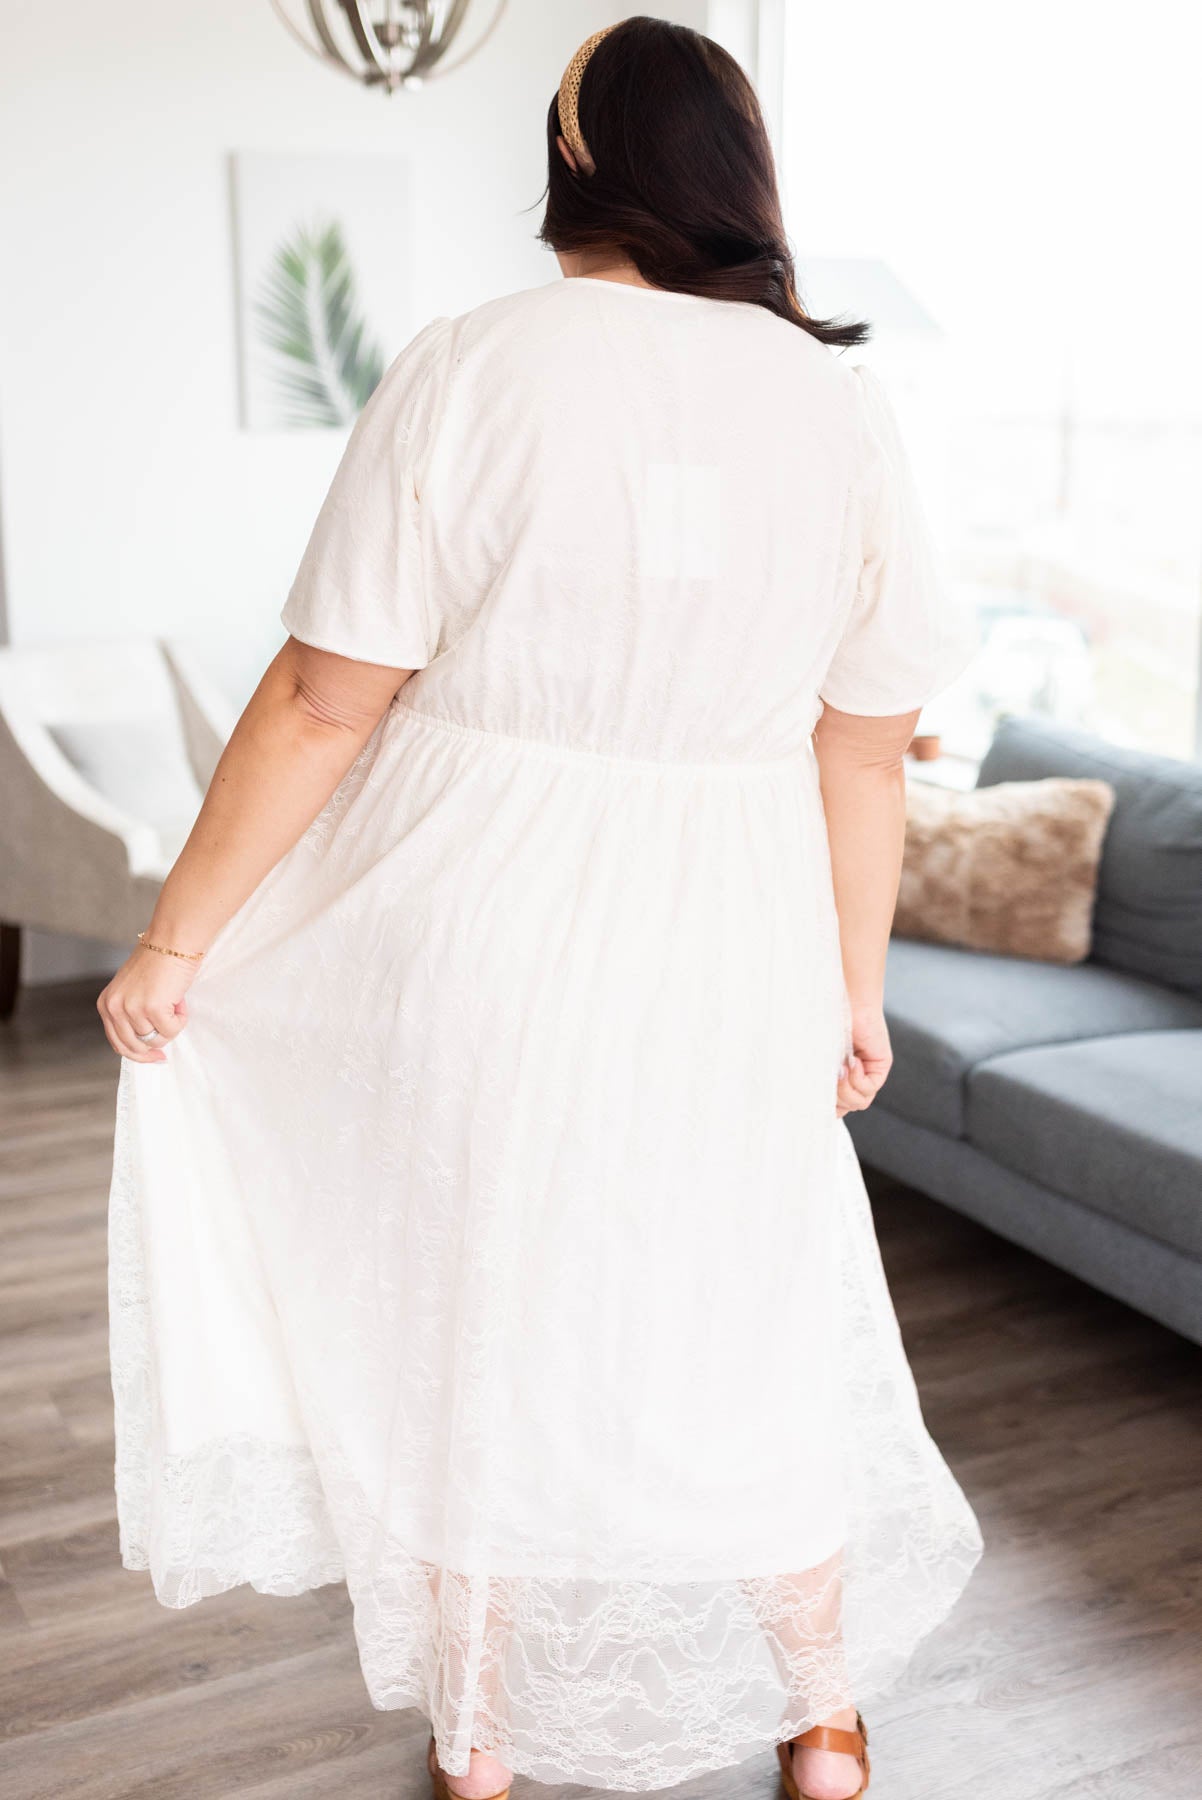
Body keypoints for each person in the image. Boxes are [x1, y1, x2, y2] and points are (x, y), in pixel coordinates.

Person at [99, 17, 982, 1800]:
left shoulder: (467, 366)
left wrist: (181, 936)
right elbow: (865, 749)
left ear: (571, 167)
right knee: (743, 1311)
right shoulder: (837, 405)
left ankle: (480, 1734)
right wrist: (855, 984)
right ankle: (820, 1718)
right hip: (733, 929)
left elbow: (320, 701)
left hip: (472, 909)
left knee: (474, 1304)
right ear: (742, 180)